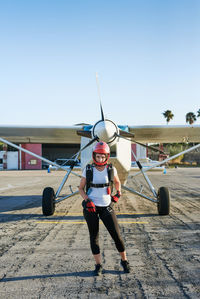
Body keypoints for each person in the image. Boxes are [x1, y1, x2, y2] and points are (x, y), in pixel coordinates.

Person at [79, 141, 130, 276]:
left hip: (107, 207)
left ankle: (124, 261)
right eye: (98, 156)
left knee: (117, 236)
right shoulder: (88, 169)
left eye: (103, 156)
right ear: (94, 156)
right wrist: (87, 200)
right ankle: (98, 265)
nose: (100, 159)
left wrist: (118, 194)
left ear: (106, 156)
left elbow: (118, 183)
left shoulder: (111, 169)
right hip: (91, 208)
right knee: (94, 237)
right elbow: (80, 188)